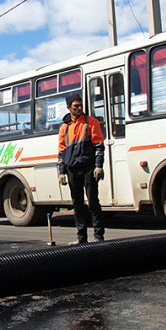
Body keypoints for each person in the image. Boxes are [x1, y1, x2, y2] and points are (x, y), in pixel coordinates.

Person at [57, 94, 106, 245]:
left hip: (88, 168)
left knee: (93, 202)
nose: (79, 108)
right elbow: (61, 151)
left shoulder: (91, 122)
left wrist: (98, 166)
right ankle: (81, 238)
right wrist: (61, 171)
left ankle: (99, 237)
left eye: (80, 106)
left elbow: (99, 145)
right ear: (68, 108)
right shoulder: (64, 127)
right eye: (75, 106)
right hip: (72, 169)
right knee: (77, 205)